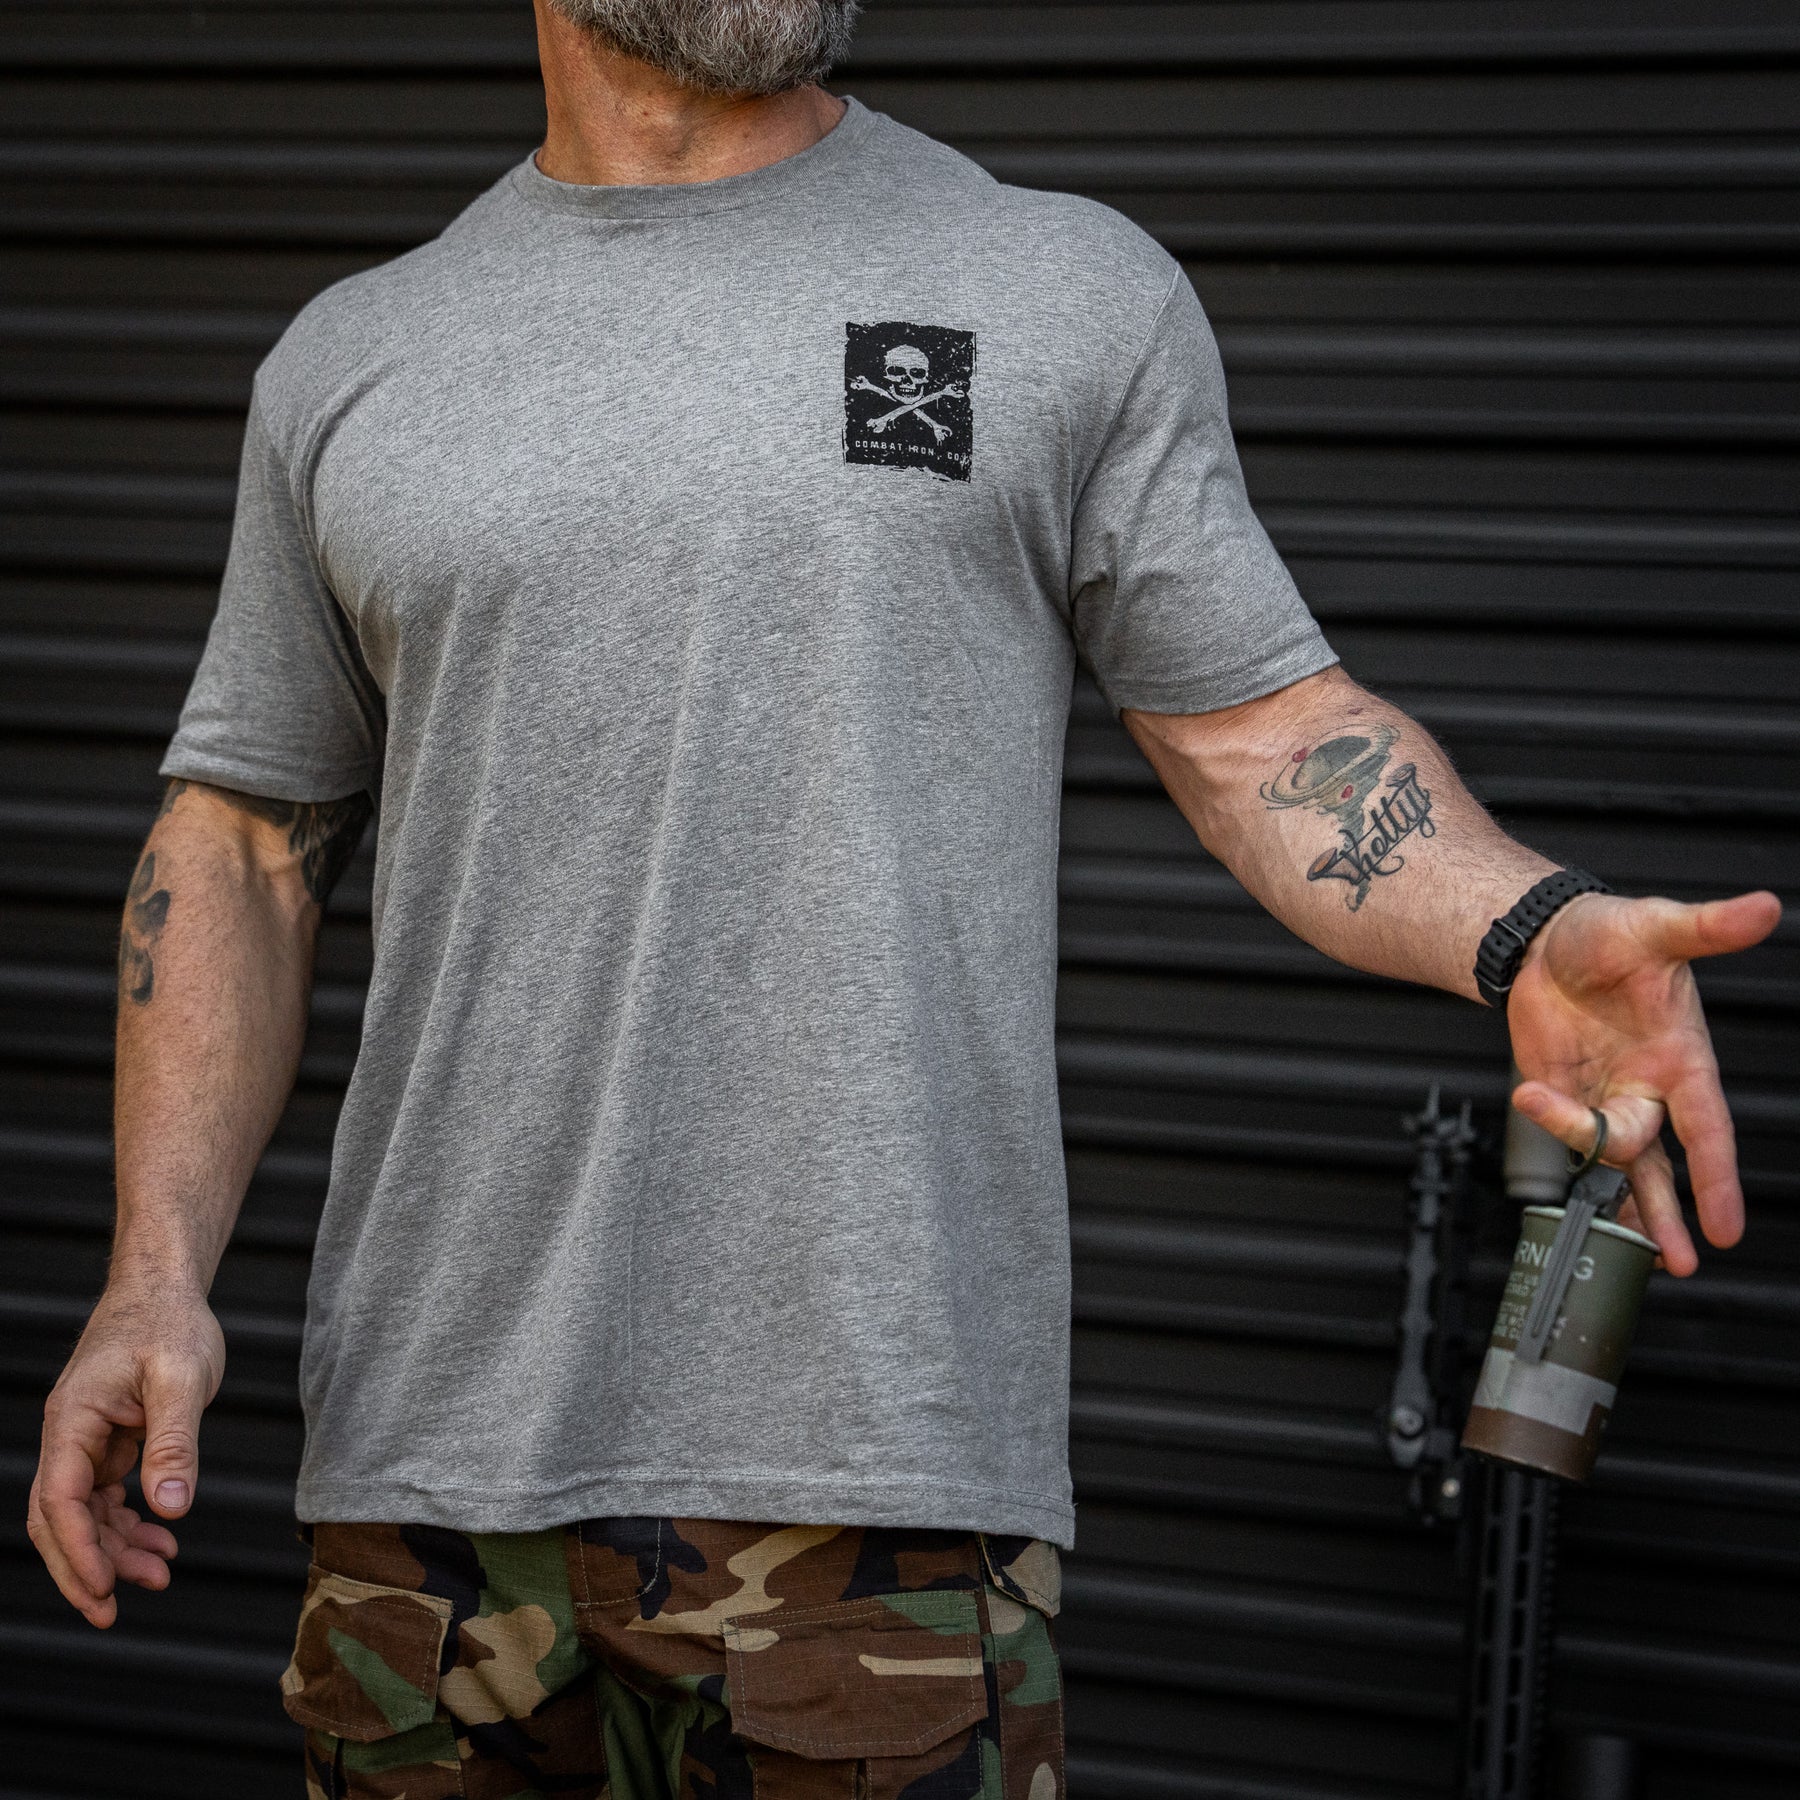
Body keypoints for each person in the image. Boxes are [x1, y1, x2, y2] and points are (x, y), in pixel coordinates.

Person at [27, 1, 1781, 1795]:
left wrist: (1518, 922)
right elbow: (239, 843)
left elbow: (1265, 737)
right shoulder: (356, 356)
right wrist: (151, 1280)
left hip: (877, 1488)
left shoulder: (1053, 287)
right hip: (428, 1494)